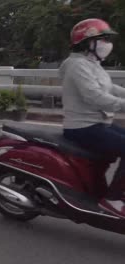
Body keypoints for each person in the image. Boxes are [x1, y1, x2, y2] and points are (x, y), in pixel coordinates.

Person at [60, 19, 125, 216]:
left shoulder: (92, 64)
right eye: (103, 39)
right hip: (82, 128)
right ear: (87, 42)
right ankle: (112, 200)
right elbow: (94, 96)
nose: (108, 43)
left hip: (99, 124)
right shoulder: (76, 65)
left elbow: (110, 88)